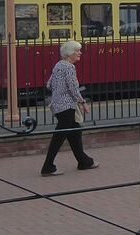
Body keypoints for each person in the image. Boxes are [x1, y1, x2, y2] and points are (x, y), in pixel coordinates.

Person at [41, 40, 98, 175]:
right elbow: (73, 88)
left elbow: (49, 84)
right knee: (59, 137)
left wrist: (59, 90)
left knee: (75, 132)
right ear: (70, 53)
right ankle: (48, 167)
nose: (80, 53)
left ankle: (84, 161)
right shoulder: (69, 67)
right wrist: (83, 102)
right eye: (77, 51)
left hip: (59, 106)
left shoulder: (58, 66)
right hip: (67, 107)